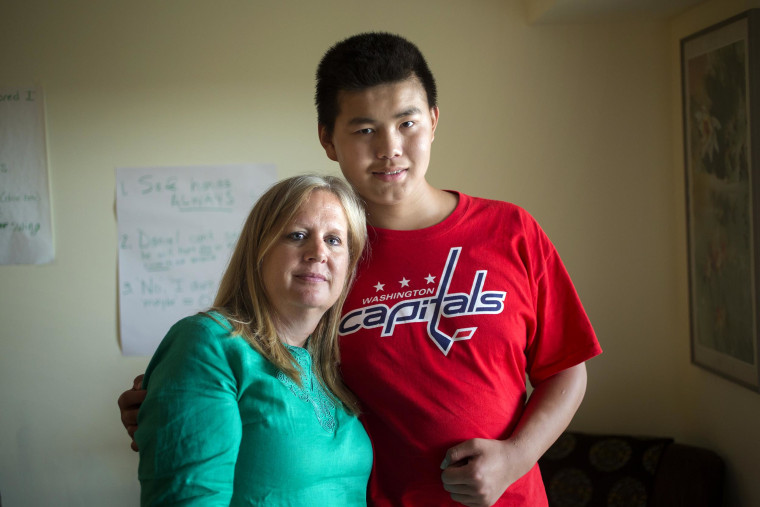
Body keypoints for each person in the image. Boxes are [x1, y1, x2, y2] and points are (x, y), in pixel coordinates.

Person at [120, 33, 602, 506]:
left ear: (433, 121)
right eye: (365, 129)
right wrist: (172, 399)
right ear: (328, 139)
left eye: (407, 123)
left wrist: (515, 458)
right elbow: (269, 364)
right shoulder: (327, 261)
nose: (390, 147)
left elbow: (566, 371)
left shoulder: (511, 230)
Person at [134, 174, 372, 506]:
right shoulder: (209, 342)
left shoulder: (331, 366)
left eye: (334, 240)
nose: (318, 252)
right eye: (297, 235)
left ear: (349, 265)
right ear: (259, 251)